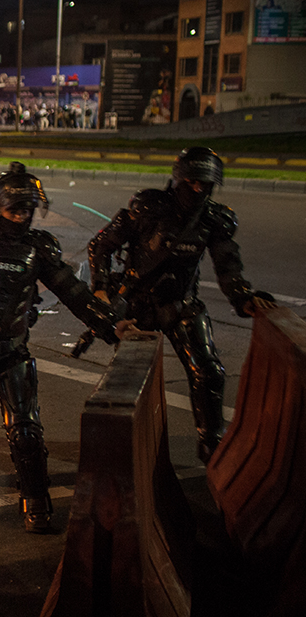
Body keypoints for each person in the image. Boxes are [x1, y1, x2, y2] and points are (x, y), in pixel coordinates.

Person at [0, 162, 133, 533]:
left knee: (25, 430)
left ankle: (36, 499)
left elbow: (74, 293)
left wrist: (110, 325)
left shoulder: (38, 249)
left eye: (27, 209)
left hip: (10, 349)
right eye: (13, 208)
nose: (21, 216)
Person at [89, 147, 275, 463]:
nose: (198, 189)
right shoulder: (146, 209)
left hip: (182, 304)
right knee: (129, 384)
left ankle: (212, 447)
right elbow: (101, 246)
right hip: (139, 307)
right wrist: (102, 290)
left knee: (210, 373)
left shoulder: (214, 219)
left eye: (205, 183)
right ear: (179, 180)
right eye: (192, 182)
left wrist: (243, 297)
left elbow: (228, 265)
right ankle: (124, 455)